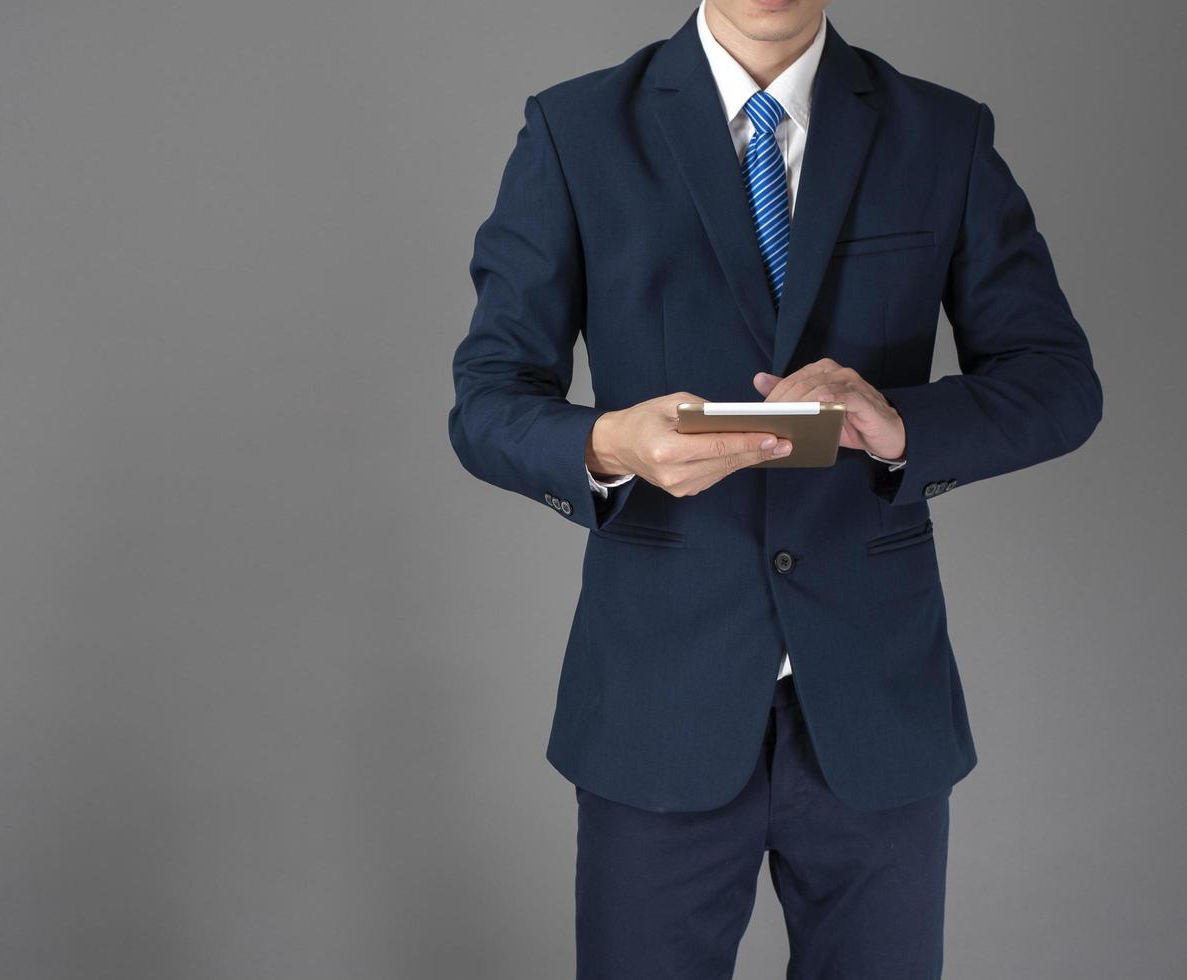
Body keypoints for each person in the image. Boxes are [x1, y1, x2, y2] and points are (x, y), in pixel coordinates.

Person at [446, 0, 1103, 976]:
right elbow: (487, 399)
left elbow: (1058, 383)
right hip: (654, 702)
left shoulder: (942, 133)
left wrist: (902, 424)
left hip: (878, 699)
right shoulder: (576, 130)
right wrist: (607, 440)